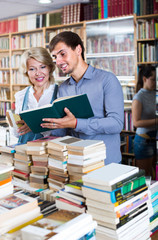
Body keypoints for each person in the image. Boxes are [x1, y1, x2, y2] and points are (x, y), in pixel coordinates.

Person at [41, 31, 124, 165]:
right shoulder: (63, 88)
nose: (58, 61)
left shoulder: (107, 80)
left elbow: (116, 124)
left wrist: (76, 123)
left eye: (63, 54)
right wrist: (41, 124)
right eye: (55, 57)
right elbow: (62, 130)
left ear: (78, 49)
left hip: (105, 162)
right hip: (75, 162)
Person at [12, 47, 58, 144]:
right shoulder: (21, 95)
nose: (38, 73)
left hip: (52, 152)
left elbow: (63, 130)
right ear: (26, 72)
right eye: (32, 69)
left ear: (49, 67)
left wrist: (33, 125)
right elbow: (17, 134)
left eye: (42, 67)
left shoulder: (60, 93)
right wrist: (15, 124)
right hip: (26, 152)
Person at [132, 65, 157, 178]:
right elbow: (136, 123)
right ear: (144, 79)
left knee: (154, 175)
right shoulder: (139, 97)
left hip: (154, 140)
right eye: (153, 79)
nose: (155, 82)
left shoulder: (154, 94)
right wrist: (156, 121)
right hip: (143, 142)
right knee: (145, 178)